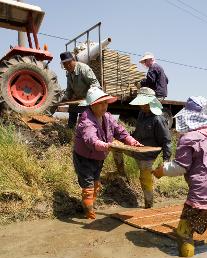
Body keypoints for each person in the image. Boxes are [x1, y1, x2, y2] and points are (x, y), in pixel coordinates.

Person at [153, 96, 207, 257]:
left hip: (203, 193)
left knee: (184, 233)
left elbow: (181, 167)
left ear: (188, 117)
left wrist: (161, 170)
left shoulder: (189, 138)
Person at [73, 87, 142, 219]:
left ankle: (89, 205)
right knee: (88, 186)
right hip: (84, 158)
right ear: (93, 104)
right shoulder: (86, 120)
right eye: (101, 103)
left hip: (99, 156)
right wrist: (107, 145)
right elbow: (91, 140)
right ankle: (89, 215)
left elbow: (120, 131)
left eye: (106, 103)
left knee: (96, 183)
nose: (105, 106)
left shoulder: (108, 117)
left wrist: (131, 141)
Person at [129, 87, 172, 208]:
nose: (142, 106)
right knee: (115, 149)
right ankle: (121, 173)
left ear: (151, 102)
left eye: (145, 104)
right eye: (141, 104)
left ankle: (149, 205)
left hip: (148, 154)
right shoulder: (142, 114)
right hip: (137, 148)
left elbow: (167, 141)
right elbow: (138, 131)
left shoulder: (158, 119)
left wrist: (166, 160)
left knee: (145, 178)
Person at [60, 51, 100, 128]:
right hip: (78, 99)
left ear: (73, 60)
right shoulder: (68, 73)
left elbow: (95, 85)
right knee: (72, 112)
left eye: (69, 63)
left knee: (84, 120)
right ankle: (70, 133)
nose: (67, 66)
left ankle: (84, 134)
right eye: (65, 64)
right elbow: (69, 90)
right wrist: (64, 98)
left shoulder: (84, 69)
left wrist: (89, 97)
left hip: (88, 100)